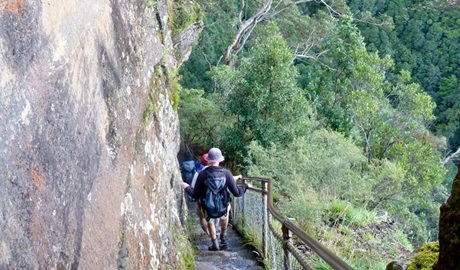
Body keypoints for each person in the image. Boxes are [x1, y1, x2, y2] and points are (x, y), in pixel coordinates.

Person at [180, 148, 249, 251]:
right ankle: (223, 238)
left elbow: (195, 194)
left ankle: (215, 244)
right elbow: (237, 193)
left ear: (208, 160)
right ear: (220, 160)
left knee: (210, 222)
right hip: (223, 205)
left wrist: (186, 187)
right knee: (225, 216)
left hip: (208, 207)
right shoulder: (226, 173)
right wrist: (245, 186)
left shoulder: (202, 174)